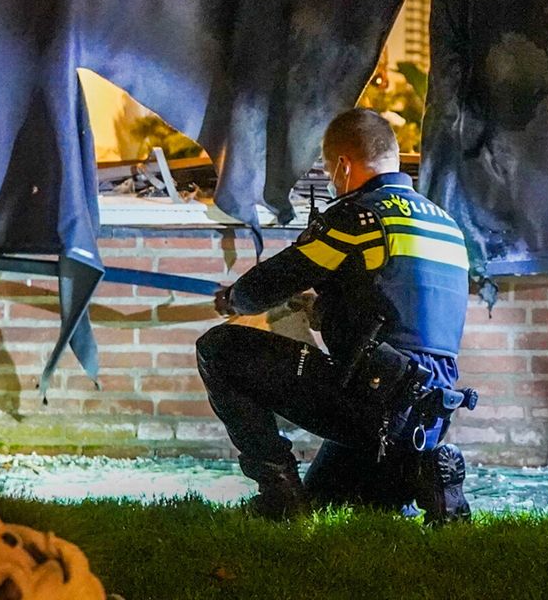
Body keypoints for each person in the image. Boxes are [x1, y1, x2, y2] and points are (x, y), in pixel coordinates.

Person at [196, 108, 475, 522]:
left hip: (373, 401)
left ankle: (278, 496)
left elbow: (269, 285)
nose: (331, 180)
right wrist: (324, 310)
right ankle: (427, 472)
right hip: (428, 412)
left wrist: (234, 299)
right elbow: (398, 309)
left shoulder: (357, 218)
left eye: (329, 169)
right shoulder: (446, 225)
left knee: (218, 349)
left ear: (343, 165)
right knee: (333, 501)